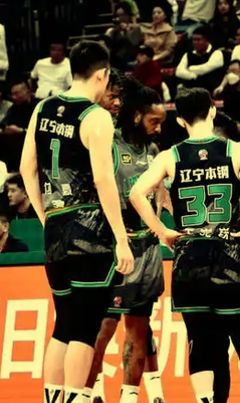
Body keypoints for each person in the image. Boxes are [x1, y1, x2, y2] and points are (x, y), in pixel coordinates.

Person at [129, 87, 240, 403]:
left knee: (201, 339)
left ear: (179, 119)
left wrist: (162, 231)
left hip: (190, 258)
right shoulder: (236, 150)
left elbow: (136, 193)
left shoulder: (169, 156)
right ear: (212, 110)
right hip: (228, 253)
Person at [20, 40, 134, 403]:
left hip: (55, 227)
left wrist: (45, 216)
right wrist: (121, 238)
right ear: (102, 75)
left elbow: (26, 168)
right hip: (90, 231)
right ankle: (75, 398)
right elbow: (103, 180)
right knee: (84, 326)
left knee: (64, 323)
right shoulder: (95, 117)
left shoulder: (42, 107)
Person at [85, 79, 168, 403]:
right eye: (154, 121)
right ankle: (87, 392)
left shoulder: (153, 152)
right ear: (136, 116)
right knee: (102, 328)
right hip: (115, 249)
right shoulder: (110, 145)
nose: (159, 128)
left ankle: (130, 397)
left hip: (147, 250)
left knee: (139, 328)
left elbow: (160, 197)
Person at [0, 78, 39, 172]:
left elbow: (42, 131)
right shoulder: (14, 108)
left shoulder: (39, 106)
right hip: (13, 141)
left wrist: (22, 131)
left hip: (33, 142)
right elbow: (4, 124)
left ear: (27, 91)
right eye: (12, 94)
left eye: (16, 93)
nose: (13, 97)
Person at [176, 25, 225, 93]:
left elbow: (205, 69)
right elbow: (179, 72)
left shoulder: (217, 53)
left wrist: (190, 69)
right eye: (194, 40)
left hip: (210, 90)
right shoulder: (188, 54)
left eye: (198, 40)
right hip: (191, 90)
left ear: (207, 40)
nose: (195, 42)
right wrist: (193, 76)